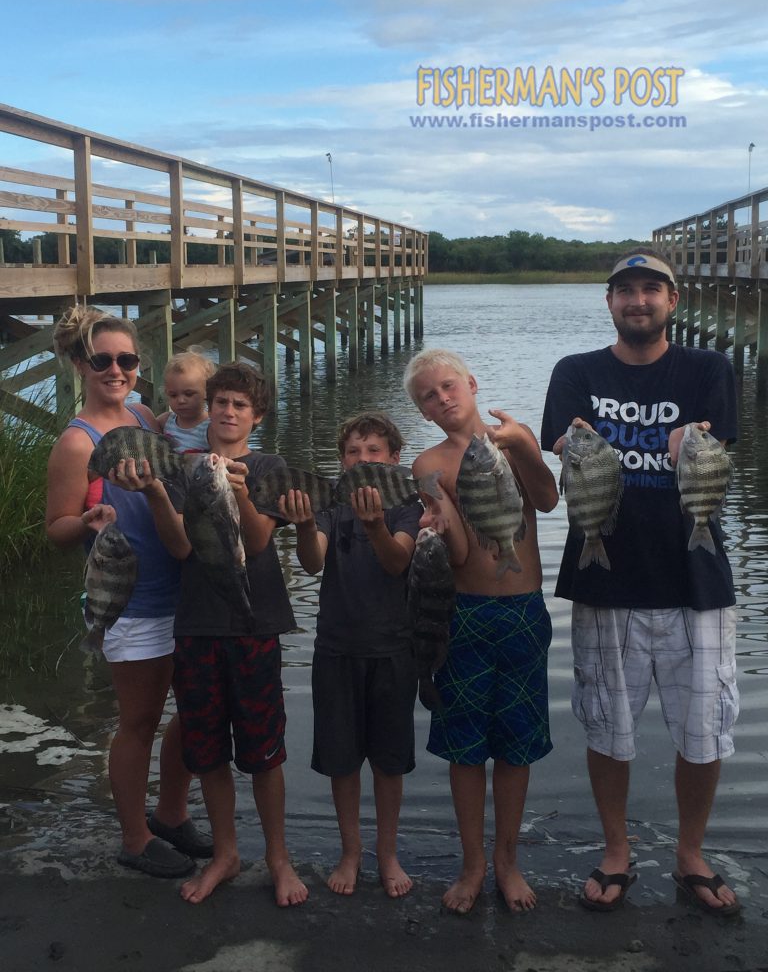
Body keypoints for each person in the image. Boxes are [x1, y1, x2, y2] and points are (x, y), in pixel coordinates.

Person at [540, 248, 740, 916]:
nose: (638, 300)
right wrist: (567, 447)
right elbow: (560, 445)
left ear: (673, 301)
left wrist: (690, 445)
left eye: (651, 289)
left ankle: (690, 854)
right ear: (609, 303)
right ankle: (616, 849)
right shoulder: (575, 372)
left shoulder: (709, 368)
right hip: (607, 581)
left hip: (697, 577)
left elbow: (718, 447)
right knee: (607, 726)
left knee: (704, 727)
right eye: (625, 290)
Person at [46, 305, 212, 878]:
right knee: (138, 721)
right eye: (102, 360)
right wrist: (89, 518)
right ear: (78, 364)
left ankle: (170, 813)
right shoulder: (76, 441)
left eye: (127, 359)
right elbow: (56, 528)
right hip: (129, 600)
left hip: (182, 586)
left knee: (193, 708)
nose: (116, 370)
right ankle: (136, 837)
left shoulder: (145, 414)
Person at [403, 349, 559, 914]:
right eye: (428, 395)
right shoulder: (428, 466)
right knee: (465, 750)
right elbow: (463, 554)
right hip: (463, 616)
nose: (442, 398)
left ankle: (507, 862)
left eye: (448, 386)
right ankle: (472, 866)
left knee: (516, 748)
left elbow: (545, 499)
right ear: (421, 411)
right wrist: (441, 526)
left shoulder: (513, 440)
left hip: (524, 611)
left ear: (470, 384)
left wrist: (522, 447)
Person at [171, 361, 308, 907]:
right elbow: (181, 548)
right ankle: (225, 853)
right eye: (220, 402)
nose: (228, 412)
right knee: (206, 749)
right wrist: (164, 495)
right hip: (197, 624)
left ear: (258, 416)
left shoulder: (269, 466)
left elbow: (255, 545)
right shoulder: (186, 469)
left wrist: (243, 489)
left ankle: (279, 856)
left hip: (255, 622)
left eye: (240, 405)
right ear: (209, 406)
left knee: (264, 748)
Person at [279, 412, 422, 898]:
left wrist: (376, 525)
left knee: (389, 762)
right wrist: (301, 527)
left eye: (374, 451)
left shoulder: (407, 501)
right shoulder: (331, 501)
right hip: (336, 649)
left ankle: (387, 853)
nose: (363, 460)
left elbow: (398, 559)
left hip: (393, 650)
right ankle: (350, 851)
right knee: (342, 761)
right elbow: (313, 560)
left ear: (395, 459)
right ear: (342, 461)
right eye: (353, 452)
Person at [157, 350, 215, 451]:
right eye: (173, 395)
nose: (181, 400)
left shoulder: (210, 427)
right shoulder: (165, 421)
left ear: (207, 391)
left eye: (189, 394)